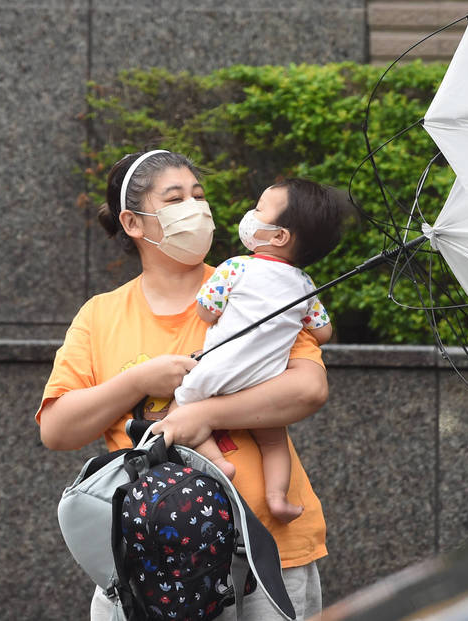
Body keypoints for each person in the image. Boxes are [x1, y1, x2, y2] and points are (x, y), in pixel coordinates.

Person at [37, 149, 328, 620]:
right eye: (175, 198)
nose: (196, 207)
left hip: (268, 553)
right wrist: (138, 380)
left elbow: (309, 388)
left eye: (199, 195)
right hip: (148, 567)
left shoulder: (256, 286)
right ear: (133, 222)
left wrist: (203, 414)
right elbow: (56, 429)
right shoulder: (101, 315)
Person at [173, 177, 347, 524]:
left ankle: (218, 461)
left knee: (179, 410)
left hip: (218, 370)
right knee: (273, 440)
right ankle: (277, 498)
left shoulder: (236, 266)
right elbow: (324, 332)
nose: (250, 214)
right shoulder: (304, 285)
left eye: (259, 209)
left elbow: (206, 311)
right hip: (267, 382)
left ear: (279, 235)